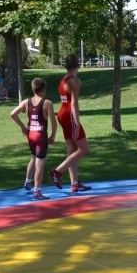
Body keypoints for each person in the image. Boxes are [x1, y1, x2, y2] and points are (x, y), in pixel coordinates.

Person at [49, 54, 92, 192]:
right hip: (69, 115)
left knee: (72, 150)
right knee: (84, 149)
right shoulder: (75, 81)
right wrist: (77, 123)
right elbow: (73, 104)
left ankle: (74, 183)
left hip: (62, 114)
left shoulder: (63, 80)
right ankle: (57, 171)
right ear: (78, 65)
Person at [10, 78, 58, 201]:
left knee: (33, 157)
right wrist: (53, 135)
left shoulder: (27, 102)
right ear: (44, 90)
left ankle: (27, 182)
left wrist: (22, 127)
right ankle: (37, 191)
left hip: (31, 134)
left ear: (33, 89)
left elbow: (13, 114)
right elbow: (53, 121)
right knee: (40, 163)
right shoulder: (47, 103)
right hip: (41, 135)